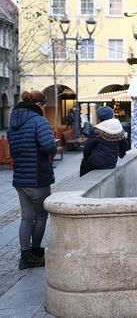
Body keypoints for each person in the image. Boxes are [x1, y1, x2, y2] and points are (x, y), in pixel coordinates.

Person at [7, 90, 57, 270]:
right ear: (40, 105)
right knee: (42, 215)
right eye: (44, 106)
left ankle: (25, 255)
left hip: (20, 178)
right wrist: (53, 144)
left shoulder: (13, 123)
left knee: (27, 217)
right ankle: (35, 252)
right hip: (37, 177)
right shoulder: (39, 121)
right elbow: (48, 146)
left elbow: (13, 151)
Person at [80, 106, 130, 177]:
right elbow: (124, 144)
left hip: (95, 164)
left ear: (99, 118)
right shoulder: (118, 129)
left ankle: (83, 182)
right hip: (111, 164)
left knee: (84, 163)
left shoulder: (96, 130)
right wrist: (122, 154)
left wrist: (86, 158)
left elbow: (87, 148)